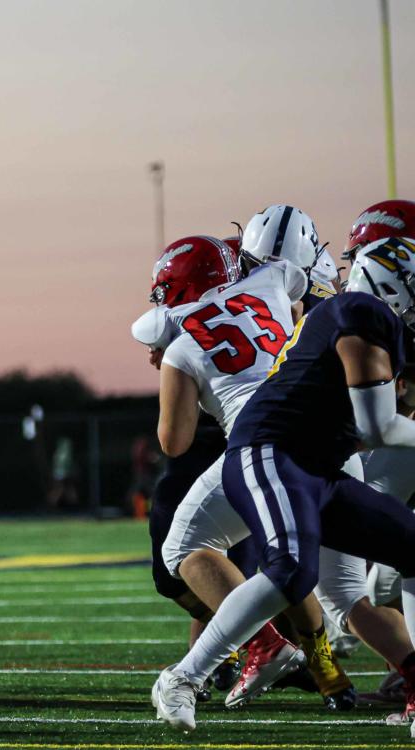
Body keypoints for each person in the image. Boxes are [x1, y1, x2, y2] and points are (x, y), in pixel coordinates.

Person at [152, 237, 415, 737]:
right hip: (276, 451)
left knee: (403, 547)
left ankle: (397, 680)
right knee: (305, 574)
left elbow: (175, 441)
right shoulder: (331, 304)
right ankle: (186, 676)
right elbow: (379, 426)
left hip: (312, 460)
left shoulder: (189, 340)